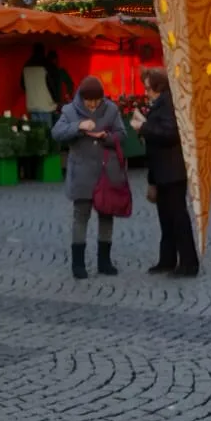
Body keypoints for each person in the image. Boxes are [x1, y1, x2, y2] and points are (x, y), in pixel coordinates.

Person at [52, 75, 127, 278]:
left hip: (105, 171)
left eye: (96, 101)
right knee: (80, 216)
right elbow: (56, 133)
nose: (93, 105)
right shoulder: (70, 111)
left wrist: (107, 137)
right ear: (81, 98)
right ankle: (78, 263)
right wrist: (78, 127)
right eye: (89, 101)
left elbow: (122, 134)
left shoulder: (111, 110)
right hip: (81, 172)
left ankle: (104, 261)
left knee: (106, 215)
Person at [131, 70, 199, 277]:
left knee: (178, 218)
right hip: (162, 170)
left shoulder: (169, 104)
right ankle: (167, 260)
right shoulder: (160, 104)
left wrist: (143, 127)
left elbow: (170, 134)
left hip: (173, 170)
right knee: (166, 218)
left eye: (148, 88)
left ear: (159, 87)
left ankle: (188, 263)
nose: (146, 92)